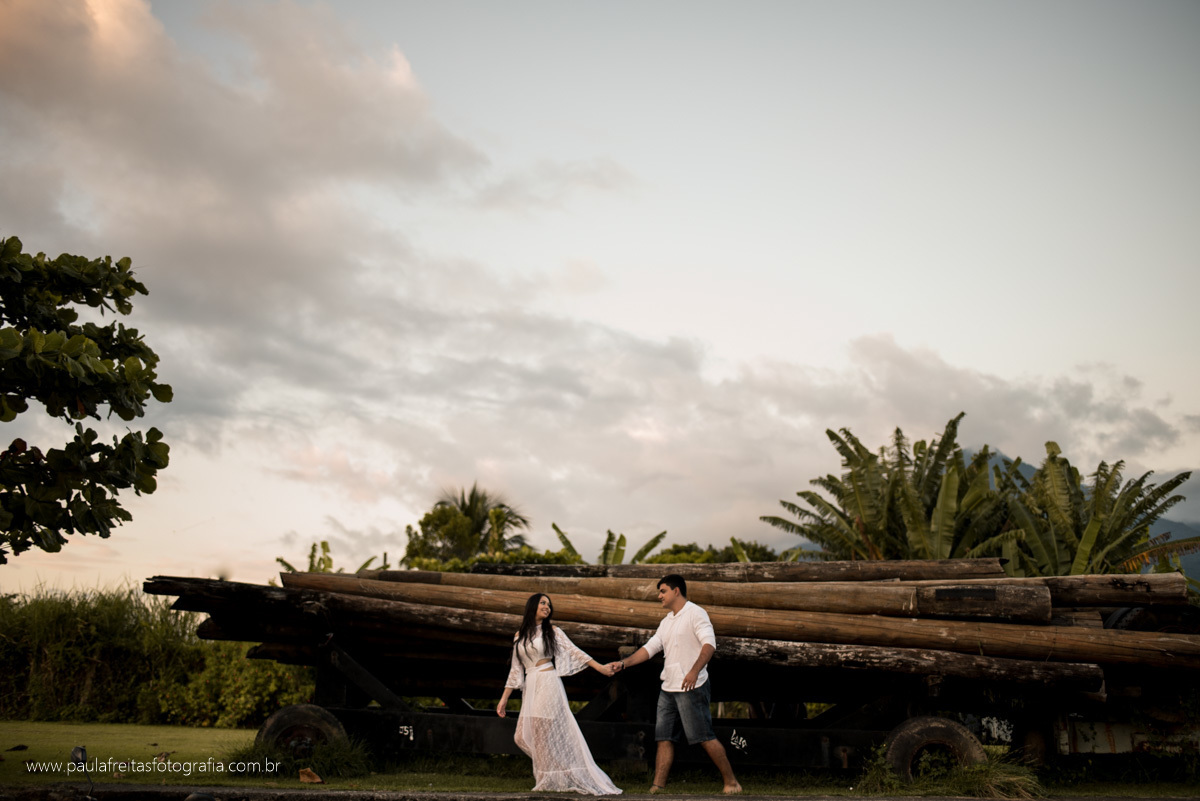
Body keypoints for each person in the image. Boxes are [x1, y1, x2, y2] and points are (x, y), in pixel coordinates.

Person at [608, 574, 741, 795]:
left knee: (704, 737)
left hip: (692, 687)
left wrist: (693, 671)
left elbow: (709, 645)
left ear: (676, 591)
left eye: (663, 591)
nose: (659, 596)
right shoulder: (666, 621)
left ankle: (732, 783)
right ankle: (657, 787)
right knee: (664, 737)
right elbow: (649, 649)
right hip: (668, 688)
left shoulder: (696, 613)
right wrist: (623, 664)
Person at [497, 593, 622, 795]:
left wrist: (600, 668)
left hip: (548, 681)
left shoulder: (553, 631)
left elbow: (575, 652)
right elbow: (515, 670)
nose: (547, 606)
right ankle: (559, 773)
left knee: (540, 732)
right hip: (530, 686)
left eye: (549, 604)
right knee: (521, 737)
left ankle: (547, 779)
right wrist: (504, 699)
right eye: (543, 603)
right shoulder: (519, 635)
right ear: (532, 607)